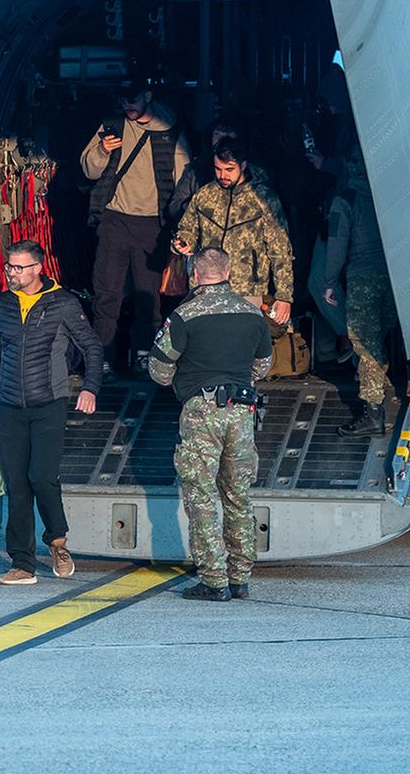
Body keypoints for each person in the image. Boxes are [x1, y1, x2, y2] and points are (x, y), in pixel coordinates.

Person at [0, 240, 104, 585]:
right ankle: (22, 563)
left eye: (18, 268)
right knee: (16, 483)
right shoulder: (2, 305)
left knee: (41, 477)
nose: (11, 273)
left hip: (50, 404)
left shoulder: (62, 303)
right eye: (9, 267)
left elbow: (91, 346)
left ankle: (57, 541)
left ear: (37, 269)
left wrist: (89, 388)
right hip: (12, 405)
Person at [148, 249, 274, 602]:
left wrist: (184, 381)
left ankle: (213, 579)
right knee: (238, 495)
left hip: (201, 410)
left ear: (194, 272)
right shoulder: (252, 314)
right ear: (229, 271)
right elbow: (263, 365)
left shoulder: (184, 316)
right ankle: (240, 577)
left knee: (201, 497)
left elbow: (158, 370)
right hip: (241, 411)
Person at [78, 88, 191, 369]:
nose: (128, 105)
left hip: (152, 224)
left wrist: (181, 225)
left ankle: (144, 355)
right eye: (123, 100)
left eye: (133, 99)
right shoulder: (112, 126)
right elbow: (88, 169)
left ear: (148, 96)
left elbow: (184, 181)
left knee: (148, 296)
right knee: (106, 293)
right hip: (114, 219)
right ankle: (102, 356)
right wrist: (102, 151)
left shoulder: (168, 130)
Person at [310, 147, 401, 435]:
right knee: (379, 338)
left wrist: (328, 282)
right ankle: (379, 383)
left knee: (365, 343)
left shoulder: (345, 199)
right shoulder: (389, 196)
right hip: (392, 277)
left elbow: (336, 244)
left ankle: (373, 412)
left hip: (363, 278)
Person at [170, 139, 295, 326]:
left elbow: (280, 249)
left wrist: (284, 296)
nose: (222, 175)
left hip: (247, 289)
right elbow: (187, 228)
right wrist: (182, 242)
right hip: (205, 286)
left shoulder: (263, 199)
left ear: (243, 165)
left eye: (229, 169)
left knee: (242, 348)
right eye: (218, 169)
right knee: (207, 345)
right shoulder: (205, 195)